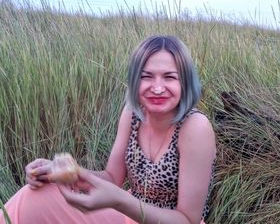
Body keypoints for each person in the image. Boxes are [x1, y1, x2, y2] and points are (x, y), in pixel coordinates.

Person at [0, 35, 216, 224]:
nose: (157, 87)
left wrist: (121, 200)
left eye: (169, 77)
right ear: (134, 81)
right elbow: (112, 177)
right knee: (35, 195)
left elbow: (188, 220)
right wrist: (66, 173)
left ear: (185, 82)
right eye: (146, 76)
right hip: (130, 215)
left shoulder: (195, 127)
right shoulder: (133, 113)